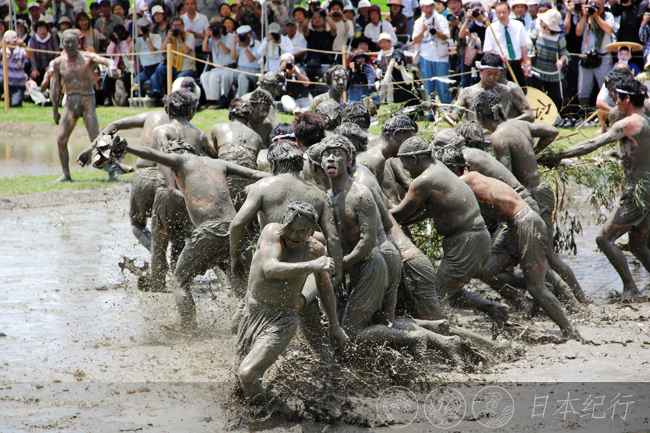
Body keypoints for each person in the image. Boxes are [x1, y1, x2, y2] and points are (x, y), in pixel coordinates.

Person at [120, 136, 269, 328]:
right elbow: (256, 174)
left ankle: (189, 329)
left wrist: (126, 147)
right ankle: (255, 323)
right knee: (241, 284)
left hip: (209, 230)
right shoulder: (217, 163)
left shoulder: (180, 160)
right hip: (235, 229)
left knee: (179, 282)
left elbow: (151, 153)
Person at [437, 146, 579, 339]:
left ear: (453, 169)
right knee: (485, 271)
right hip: (514, 226)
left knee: (536, 288)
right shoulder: (472, 178)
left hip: (526, 223)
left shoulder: (466, 180)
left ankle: (569, 332)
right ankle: (543, 284)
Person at [474, 91, 588, 305]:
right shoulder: (519, 125)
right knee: (539, 254)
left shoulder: (498, 137)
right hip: (541, 191)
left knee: (548, 257)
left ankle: (578, 301)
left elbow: (504, 178)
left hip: (531, 197)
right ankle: (550, 300)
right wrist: (536, 151)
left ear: (480, 116)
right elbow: (552, 131)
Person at [389, 136, 509, 333]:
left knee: (431, 298)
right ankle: (494, 309)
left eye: (405, 162)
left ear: (415, 159)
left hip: (467, 243)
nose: (405, 168)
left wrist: (377, 209)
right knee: (448, 290)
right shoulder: (440, 170)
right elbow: (423, 212)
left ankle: (451, 338)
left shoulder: (425, 180)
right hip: (470, 240)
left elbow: (399, 214)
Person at [236, 201, 347, 406]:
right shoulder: (272, 233)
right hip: (252, 312)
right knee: (241, 382)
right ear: (283, 223)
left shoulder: (315, 250)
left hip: (282, 320)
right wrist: (312, 265)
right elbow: (270, 268)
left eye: (302, 231)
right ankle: (274, 408)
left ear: (312, 231)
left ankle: (263, 416)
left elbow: (325, 287)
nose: (294, 235)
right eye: (290, 228)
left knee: (247, 373)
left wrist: (334, 325)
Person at [558, 77, 650, 299]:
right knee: (638, 245)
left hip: (638, 191)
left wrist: (558, 155)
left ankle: (630, 288)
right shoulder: (647, 120)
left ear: (627, 99)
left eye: (617, 98)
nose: (615, 102)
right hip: (647, 188)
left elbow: (593, 143)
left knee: (604, 239)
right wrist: (618, 154)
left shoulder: (627, 123)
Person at [230, 140, 344, 290]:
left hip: (272, 261)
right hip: (302, 265)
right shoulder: (319, 195)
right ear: (300, 165)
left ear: (273, 165)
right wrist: (338, 273)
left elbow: (237, 224)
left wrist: (235, 256)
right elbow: (333, 238)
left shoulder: (262, 187)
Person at [51, 30, 117, 182]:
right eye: (66, 43)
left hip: (87, 100)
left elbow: (106, 60)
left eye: (73, 42)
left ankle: (111, 171)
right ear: (62, 44)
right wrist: (55, 110)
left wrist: (112, 65)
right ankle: (66, 174)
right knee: (61, 139)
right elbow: (56, 88)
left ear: (78, 43)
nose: (70, 45)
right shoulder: (58, 63)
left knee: (95, 138)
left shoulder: (87, 57)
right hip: (71, 102)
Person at [211, 99, 263, 209]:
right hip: (246, 189)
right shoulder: (257, 138)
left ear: (229, 115)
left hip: (223, 183)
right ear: (248, 118)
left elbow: (217, 155)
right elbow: (252, 164)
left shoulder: (217, 129)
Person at [452, 53, 534, 122]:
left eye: (496, 74)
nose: (491, 78)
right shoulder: (467, 92)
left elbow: (529, 115)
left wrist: (506, 124)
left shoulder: (507, 90)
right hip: (475, 134)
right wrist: (448, 114)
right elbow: (455, 116)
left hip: (500, 133)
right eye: (488, 73)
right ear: (480, 70)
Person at [575, 0, 615, 106]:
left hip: (603, 57)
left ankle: (605, 112)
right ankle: (584, 112)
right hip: (586, 56)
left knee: (606, 89)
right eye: (594, 4)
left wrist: (597, 17)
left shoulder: (608, 16)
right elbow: (578, 32)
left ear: (604, 4)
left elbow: (608, 30)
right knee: (583, 90)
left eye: (599, 4)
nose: (597, 7)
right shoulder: (586, 17)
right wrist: (584, 16)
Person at [483, 0, 531, 86]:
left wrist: (526, 64)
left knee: (521, 90)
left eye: (504, 12)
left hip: (516, 64)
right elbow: (487, 51)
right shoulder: (491, 29)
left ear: (509, 12)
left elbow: (524, 47)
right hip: (500, 66)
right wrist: (498, 57)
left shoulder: (518, 25)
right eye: (498, 13)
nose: (501, 15)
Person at [531, 9, 570, 113]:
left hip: (552, 73)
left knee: (554, 98)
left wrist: (561, 61)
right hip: (536, 72)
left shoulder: (559, 37)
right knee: (536, 97)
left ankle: (553, 116)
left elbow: (565, 53)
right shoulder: (538, 31)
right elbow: (527, 43)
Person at [413, 0, 452, 105]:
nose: (429, 9)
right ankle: (430, 111)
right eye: (426, 7)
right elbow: (415, 40)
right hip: (425, 56)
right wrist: (423, 30)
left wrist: (434, 31)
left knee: (443, 86)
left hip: (440, 57)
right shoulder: (418, 22)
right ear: (422, 8)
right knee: (428, 87)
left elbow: (447, 35)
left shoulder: (440, 18)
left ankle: (446, 109)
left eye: (431, 6)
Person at [150, 17, 196, 100]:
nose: (177, 28)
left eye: (179, 25)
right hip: (175, 68)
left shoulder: (189, 36)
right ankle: (157, 94)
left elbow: (186, 51)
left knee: (179, 77)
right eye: (175, 26)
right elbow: (162, 49)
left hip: (188, 68)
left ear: (183, 26)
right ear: (171, 26)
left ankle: (175, 99)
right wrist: (168, 38)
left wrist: (179, 40)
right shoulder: (171, 37)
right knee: (160, 69)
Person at [200, 19, 235, 108]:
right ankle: (209, 100)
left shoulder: (229, 36)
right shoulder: (212, 39)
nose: (216, 30)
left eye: (218, 28)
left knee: (213, 76)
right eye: (213, 29)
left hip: (228, 67)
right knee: (204, 76)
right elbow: (204, 49)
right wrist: (206, 37)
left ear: (222, 29)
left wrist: (218, 40)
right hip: (217, 68)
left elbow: (226, 51)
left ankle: (215, 101)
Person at [222, 25, 261, 100]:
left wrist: (244, 47)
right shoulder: (239, 44)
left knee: (242, 77)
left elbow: (251, 59)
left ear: (250, 35)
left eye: (244, 35)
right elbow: (233, 57)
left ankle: (240, 100)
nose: (243, 38)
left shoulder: (257, 44)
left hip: (253, 70)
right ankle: (224, 99)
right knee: (226, 75)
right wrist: (234, 44)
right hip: (240, 68)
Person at [302, 7, 336, 87]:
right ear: (312, 22)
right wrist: (309, 15)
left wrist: (325, 15)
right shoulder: (310, 34)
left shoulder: (329, 34)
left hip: (324, 65)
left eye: (320, 17)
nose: (317, 19)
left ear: (324, 21)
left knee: (327, 74)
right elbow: (304, 27)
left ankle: (325, 93)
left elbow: (334, 28)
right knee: (300, 71)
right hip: (310, 64)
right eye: (315, 18)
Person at [0, 31, 33, 107]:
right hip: (3, 81)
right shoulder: (2, 51)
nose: (12, 42)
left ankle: (10, 97)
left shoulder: (21, 51)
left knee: (15, 105)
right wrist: (2, 44)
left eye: (14, 39)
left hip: (17, 84)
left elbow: (30, 55)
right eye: (9, 39)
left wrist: (24, 45)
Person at [103, 24, 131, 106]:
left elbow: (128, 53)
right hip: (117, 69)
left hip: (128, 68)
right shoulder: (115, 43)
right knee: (108, 78)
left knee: (127, 79)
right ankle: (108, 98)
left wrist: (123, 40)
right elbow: (109, 54)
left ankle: (128, 99)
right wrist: (113, 42)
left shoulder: (129, 41)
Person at [133, 17, 163, 90]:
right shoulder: (138, 40)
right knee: (135, 81)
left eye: (142, 27)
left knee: (153, 79)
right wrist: (133, 39)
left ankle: (156, 95)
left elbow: (152, 50)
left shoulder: (156, 36)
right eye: (139, 28)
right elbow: (131, 51)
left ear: (148, 27)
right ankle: (140, 96)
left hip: (156, 66)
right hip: (146, 69)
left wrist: (147, 37)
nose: (141, 30)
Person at [29, 19, 59, 86]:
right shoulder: (33, 39)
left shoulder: (53, 38)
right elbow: (32, 55)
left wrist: (51, 66)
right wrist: (35, 69)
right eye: (40, 29)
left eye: (44, 29)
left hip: (50, 66)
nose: (42, 31)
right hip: (38, 68)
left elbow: (57, 52)